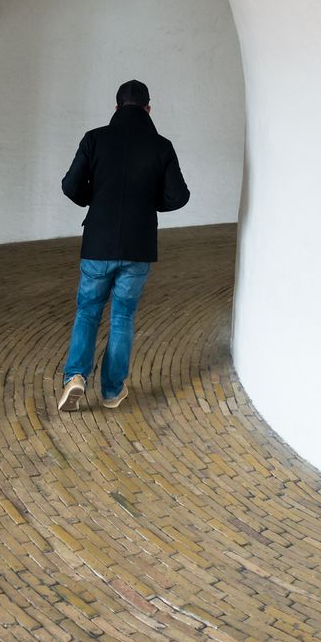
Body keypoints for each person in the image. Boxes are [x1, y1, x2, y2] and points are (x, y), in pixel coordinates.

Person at [56, 80, 191, 411]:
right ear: (149, 109)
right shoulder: (162, 146)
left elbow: (69, 185)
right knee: (122, 316)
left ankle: (75, 377)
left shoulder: (95, 138)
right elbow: (179, 196)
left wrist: (96, 199)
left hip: (98, 244)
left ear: (116, 108)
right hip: (138, 246)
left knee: (88, 311)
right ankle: (112, 391)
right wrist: (147, 204)